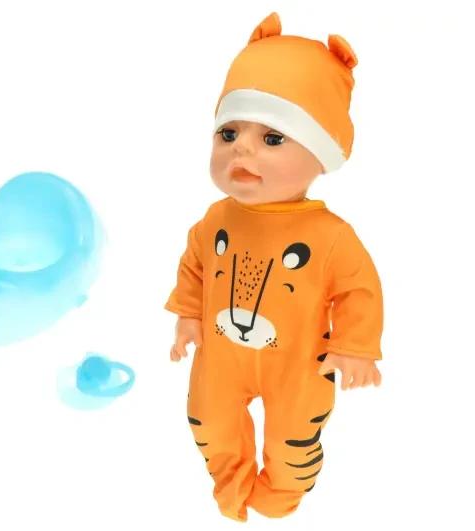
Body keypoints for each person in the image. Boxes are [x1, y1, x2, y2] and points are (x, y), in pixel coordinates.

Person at [164, 12, 384, 522]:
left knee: (293, 440)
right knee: (207, 421)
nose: (241, 147)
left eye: (273, 138)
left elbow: (359, 290)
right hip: (221, 357)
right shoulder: (215, 219)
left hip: (299, 364)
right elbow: (195, 266)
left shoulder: (330, 236)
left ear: (321, 156)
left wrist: (354, 347)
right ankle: (231, 481)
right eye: (229, 132)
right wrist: (189, 316)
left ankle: (283, 494)